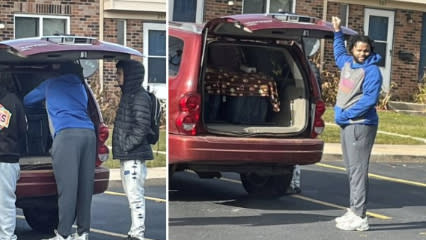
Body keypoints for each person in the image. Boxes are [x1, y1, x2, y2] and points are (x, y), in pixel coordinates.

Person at [24, 62, 96, 240]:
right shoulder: (80, 86)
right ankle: (83, 232)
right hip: (89, 134)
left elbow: (27, 100)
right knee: (85, 188)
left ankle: (63, 234)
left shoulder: (50, 84)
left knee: (68, 189)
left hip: (67, 135)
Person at [331, 16, 382, 231]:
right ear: (353, 49)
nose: (362, 53)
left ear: (371, 50)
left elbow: (370, 99)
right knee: (351, 170)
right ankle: (353, 210)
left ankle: (360, 217)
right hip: (347, 123)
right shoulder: (348, 63)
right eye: (359, 50)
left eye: (366, 50)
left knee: (358, 170)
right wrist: (337, 32)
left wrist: (346, 114)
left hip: (361, 124)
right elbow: (338, 53)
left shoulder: (371, 71)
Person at [112, 59, 154, 240]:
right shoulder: (129, 95)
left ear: (129, 76)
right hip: (128, 155)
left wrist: (126, 145)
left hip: (134, 156)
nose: (116, 77)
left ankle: (137, 233)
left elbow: (142, 125)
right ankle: (134, 231)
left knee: (135, 196)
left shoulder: (138, 96)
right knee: (131, 195)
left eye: (119, 73)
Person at [0, 82, 27, 240]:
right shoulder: (14, 101)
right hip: (8, 158)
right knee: (6, 203)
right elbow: (23, 129)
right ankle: (7, 236)